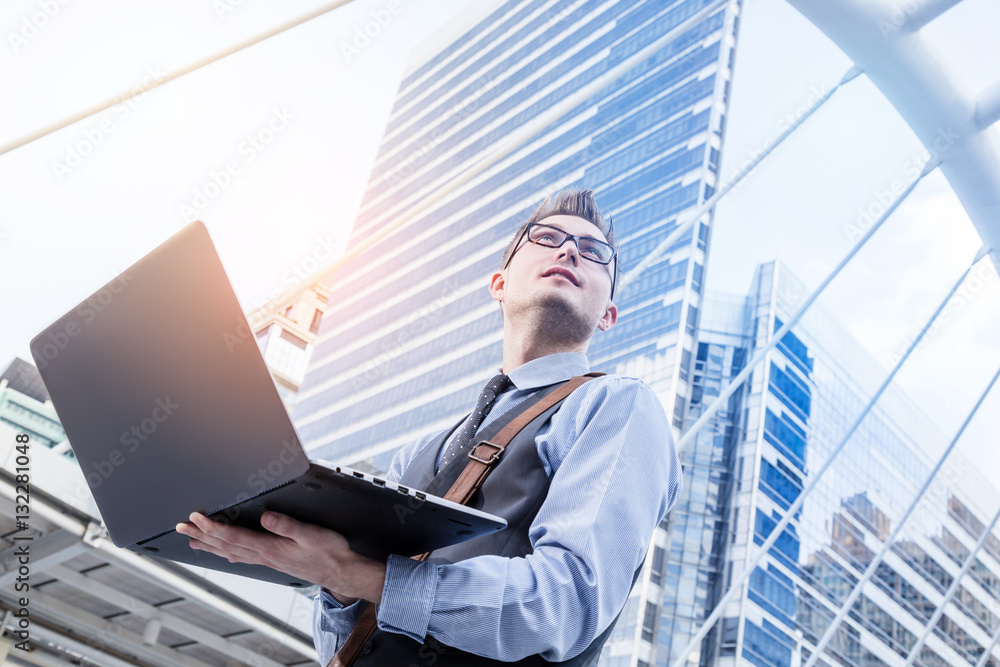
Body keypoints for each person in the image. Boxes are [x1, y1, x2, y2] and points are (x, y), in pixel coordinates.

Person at [177, 189, 681, 665]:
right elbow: (340, 643)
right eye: (547, 238)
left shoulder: (617, 405)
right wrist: (329, 580)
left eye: (594, 252)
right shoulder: (416, 453)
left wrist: (356, 573)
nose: (570, 250)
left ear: (609, 314)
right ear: (499, 285)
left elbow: (564, 603)